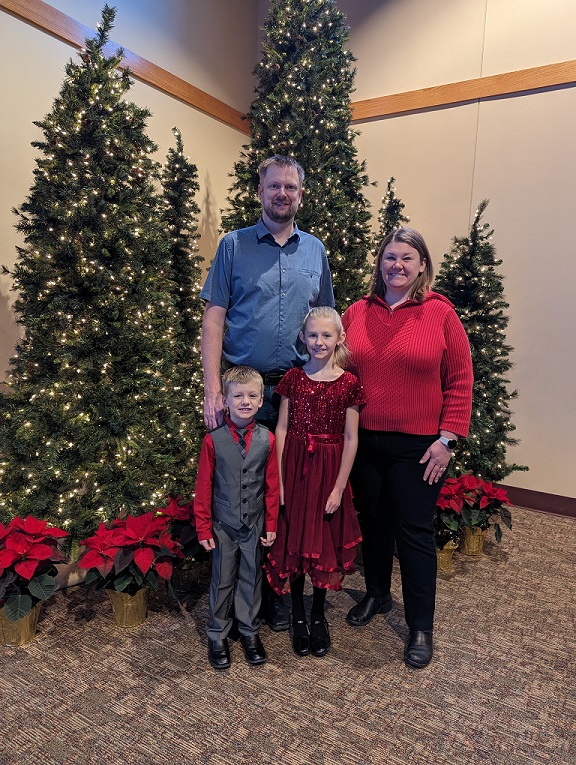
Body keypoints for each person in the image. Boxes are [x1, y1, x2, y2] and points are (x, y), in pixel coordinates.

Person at [200, 155, 334, 631]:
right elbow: (214, 316)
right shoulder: (233, 246)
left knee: (288, 492)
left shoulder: (315, 251)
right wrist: (213, 388)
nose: (282, 194)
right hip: (244, 394)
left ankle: (277, 590)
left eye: (290, 187)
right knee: (242, 492)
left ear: (300, 194)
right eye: (274, 186)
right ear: (260, 192)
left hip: (297, 392)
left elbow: (326, 324)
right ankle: (240, 593)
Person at [342, 227, 473, 669]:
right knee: (373, 524)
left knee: (414, 535)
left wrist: (446, 439)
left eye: (407, 258)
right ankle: (377, 594)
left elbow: (460, 380)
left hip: (418, 446)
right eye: (389, 257)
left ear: (421, 266)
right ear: (380, 263)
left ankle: (420, 626)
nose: (397, 265)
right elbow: (339, 371)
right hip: (363, 441)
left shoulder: (440, 314)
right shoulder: (355, 313)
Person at [264, 307, 364, 658]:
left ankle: (318, 613)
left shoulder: (350, 384)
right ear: (303, 338)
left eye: (326, 335)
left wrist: (338, 487)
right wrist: (279, 481)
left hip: (329, 468)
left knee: (321, 537)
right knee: (293, 535)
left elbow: (351, 439)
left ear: (340, 338)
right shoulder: (293, 378)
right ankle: (298, 614)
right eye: (312, 335)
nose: (319, 342)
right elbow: (280, 428)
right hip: (294, 465)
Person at [193, 367, 280, 670]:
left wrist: (271, 524)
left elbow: (272, 487)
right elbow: (203, 487)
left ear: (260, 401)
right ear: (226, 401)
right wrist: (203, 526)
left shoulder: (267, 439)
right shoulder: (212, 441)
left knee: (251, 577)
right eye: (238, 396)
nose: (245, 401)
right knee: (222, 578)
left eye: (252, 396)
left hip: (253, 525)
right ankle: (217, 633)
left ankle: (249, 631)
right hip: (223, 526)